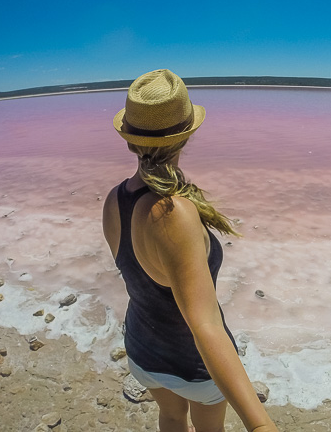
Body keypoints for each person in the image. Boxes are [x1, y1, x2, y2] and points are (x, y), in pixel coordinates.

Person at [102, 69, 279, 432]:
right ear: (187, 136)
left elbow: (141, 276)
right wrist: (260, 425)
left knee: (169, 416)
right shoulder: (173, 213)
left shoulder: (113, 200)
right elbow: (205, 325)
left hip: (141, 350)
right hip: (193, 366)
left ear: (130, 140)